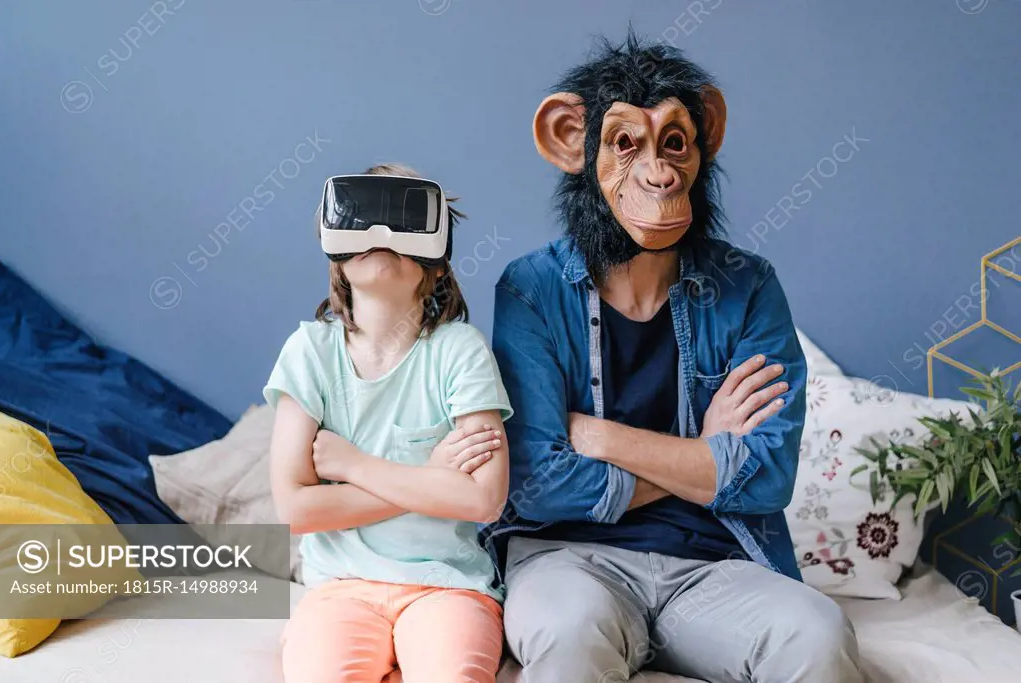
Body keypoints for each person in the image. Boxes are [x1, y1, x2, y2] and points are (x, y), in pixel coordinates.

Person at [483, 33, 863, 682]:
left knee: (818, 632)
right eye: (626, 143)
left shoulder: (749, 285)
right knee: (570, 635)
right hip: (569, 559)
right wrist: (702, 456)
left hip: (719, 563)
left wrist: (600, 436)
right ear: (572, 140)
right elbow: (537, 483)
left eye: (674, 143)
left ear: (704, 138)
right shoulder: (532, 289)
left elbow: (767, 476)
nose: (657, 172)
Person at [267, 163, 512, 683]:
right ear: (336, 256)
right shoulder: (310, 352)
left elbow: (483, 499)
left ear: (438, 265)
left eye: (404, 221)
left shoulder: (459, 350)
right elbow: (294, 510)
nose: (382, 236)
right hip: (339, 586)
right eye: (363, 219)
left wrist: (353, 465)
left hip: (447, 585)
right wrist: (430, 474)